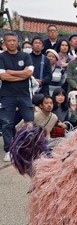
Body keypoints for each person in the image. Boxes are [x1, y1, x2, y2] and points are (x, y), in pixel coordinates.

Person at [0, 32, 34, 161]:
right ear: (5, 43)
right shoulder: (2, 57)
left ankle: (29, 148)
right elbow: (3, 76)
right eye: (9, 41)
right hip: (7, 95)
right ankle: (9, 150)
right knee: (7, 123)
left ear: (17, 42)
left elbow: (29, 73)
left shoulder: (25, 56)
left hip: (24, 95)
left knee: (29, 121)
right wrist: (22, 74)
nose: (12, 43)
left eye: (14, 40)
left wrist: (12, 73)